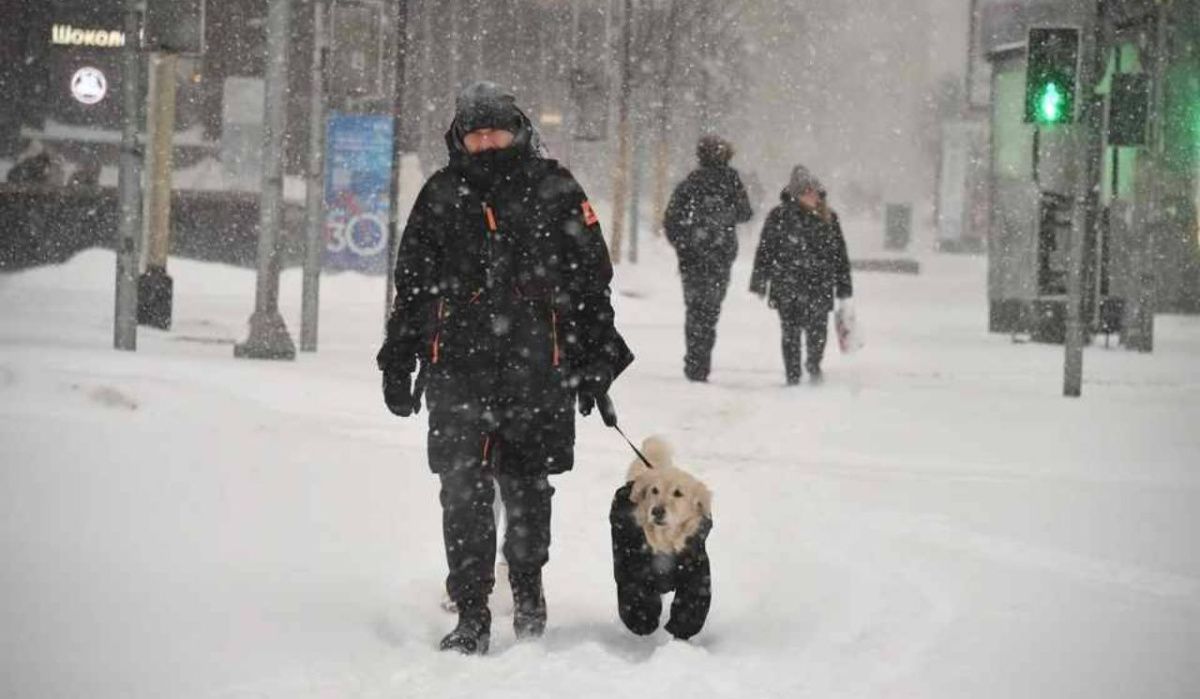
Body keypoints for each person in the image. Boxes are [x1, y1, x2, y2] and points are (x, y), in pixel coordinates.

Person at [376, 81, 633, 655]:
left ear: (518, 130)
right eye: (475, 130)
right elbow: (412, 287)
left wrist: (595, 360)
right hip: (456, 370)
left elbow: (592, 283)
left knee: (527, 487)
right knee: (461, 490)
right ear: (460, 137)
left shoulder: (556, 188)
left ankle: (527, 588)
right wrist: (399, 358)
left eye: (496, 129)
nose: (486, 140)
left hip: (538, 368)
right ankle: (471, 610)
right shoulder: (441, 194)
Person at [749, 165, 852, 385]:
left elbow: (840, 255)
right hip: (788, 284)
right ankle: (792, 374)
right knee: (790, 333)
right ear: (796, 194)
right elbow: (765, 250)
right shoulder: (779, 216)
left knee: (818, 332)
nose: (811, 195)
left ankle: (814, 364)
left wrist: (844, 286)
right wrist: (759, 281)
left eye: (813, 190)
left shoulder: (829, 218)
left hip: (819, 284)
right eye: (806, 191)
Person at [662, 135, 753, 382]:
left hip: (693, 259)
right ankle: (701, 362)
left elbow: (670, 220)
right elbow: (746, 212)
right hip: (720, 257)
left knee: (694, 310)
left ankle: (694, 361)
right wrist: (725, 219)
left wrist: (684, 245)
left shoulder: (690, 183)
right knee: (710, 311)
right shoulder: (731, 183)